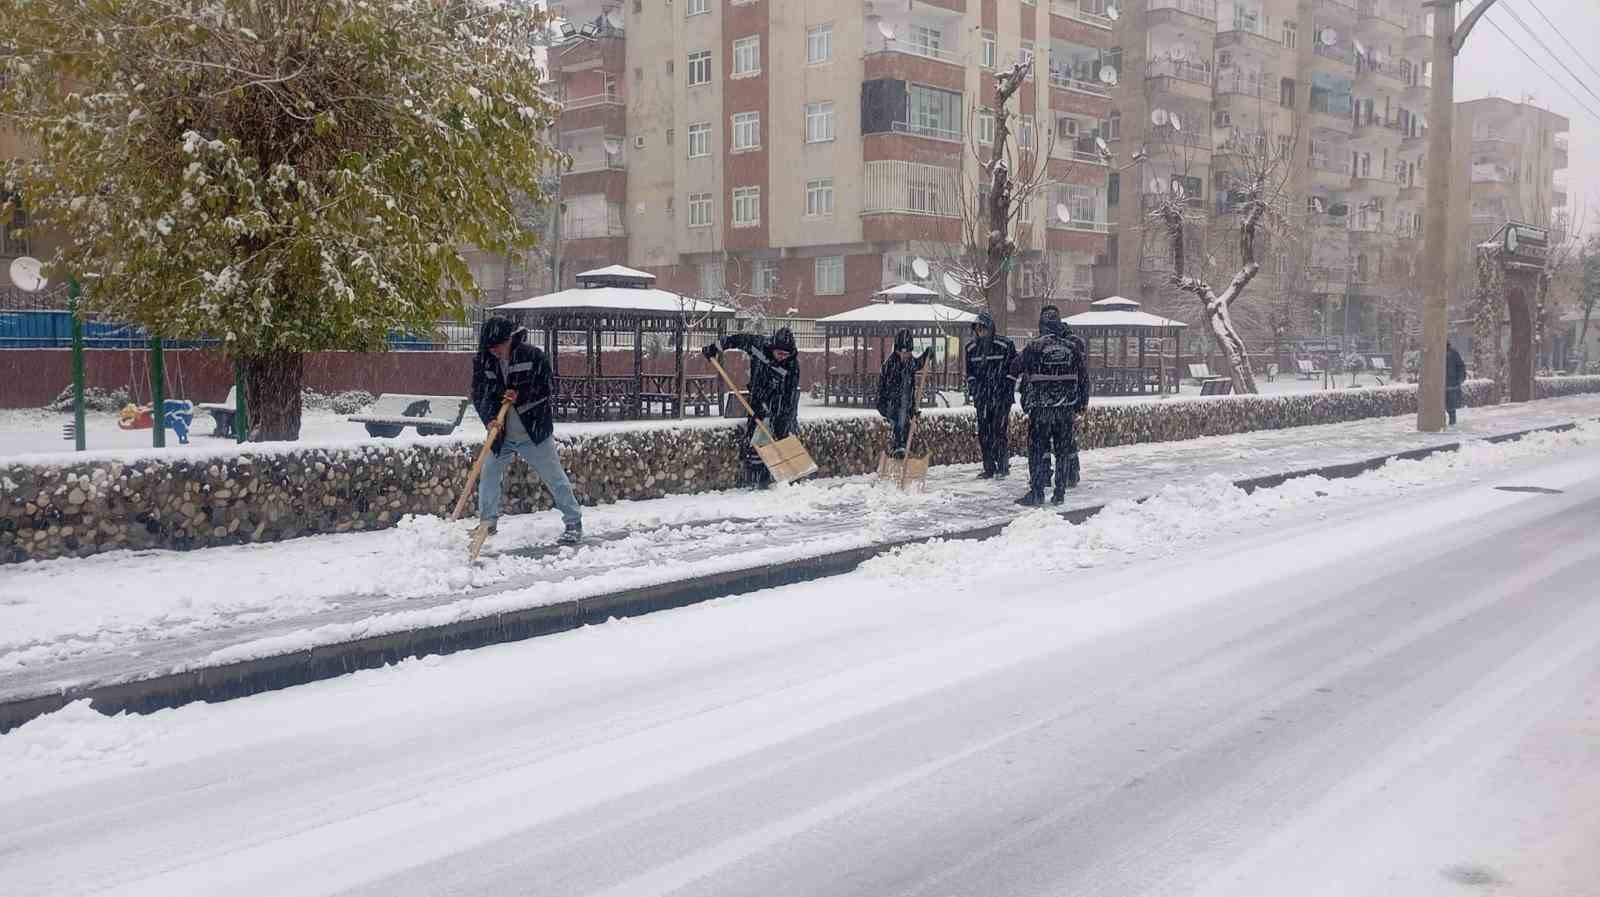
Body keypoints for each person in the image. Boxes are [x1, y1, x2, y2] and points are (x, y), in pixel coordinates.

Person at [470, 316, 583, 545]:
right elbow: (480, 392)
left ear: (508, 339)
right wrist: (489, 419)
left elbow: (547, 386)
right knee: (489, 475)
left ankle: (573, 521)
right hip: (501, 434)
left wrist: (521, 395)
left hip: (533, 432)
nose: (494, 351)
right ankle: (487, 523)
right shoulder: (484, 360)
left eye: (497, 346)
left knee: (554, 477)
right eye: (489, 348)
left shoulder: (532, 355)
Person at [1011, 305, 1091, 506]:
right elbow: (1084, 379)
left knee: (1038, 450)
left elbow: (1014, 367)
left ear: (1042, 325)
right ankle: (1060, 492)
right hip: (1065, 409)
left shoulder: (1034, 347)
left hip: (1041, 409)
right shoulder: (1072, 348)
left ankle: (1037, 492)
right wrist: (1082, 403)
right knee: (1063, 450)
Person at [703, 327, 801, 488]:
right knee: (756, 444)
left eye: (786, 355)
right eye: (779, 353)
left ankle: (791, 481)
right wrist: (715, 347)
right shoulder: (758, 345)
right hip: (757, 401)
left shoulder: (792, 367)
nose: (782, 357)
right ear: (772, 347)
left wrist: (781, 423)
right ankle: (757, 481)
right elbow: (737, 340)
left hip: (781, 406)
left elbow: (788, 400)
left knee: (782, 437)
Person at [964, 310, 1018, 478]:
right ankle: (989, 467)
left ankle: (1002, 465)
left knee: (999, 431)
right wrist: (974, 389)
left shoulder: (1005, 345)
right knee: (984, 433)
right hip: (983, 398)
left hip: (1001, 398)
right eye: (978, 329)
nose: (981, 333)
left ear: (990, 328)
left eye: (983, 329)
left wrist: (1006, 387)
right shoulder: (971, 349)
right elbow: (970, 373)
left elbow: (1013, 369)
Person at [877, 329, 936, 457]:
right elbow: (892, 392)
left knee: (907, 425)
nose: (905, 356)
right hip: (887, 405)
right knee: (900, 421)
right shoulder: (890, 365)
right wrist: (906, 408)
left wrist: (927, 355)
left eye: (908, 352)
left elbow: (919, 364)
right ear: (896, 350)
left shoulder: (909, 362)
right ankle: (899, 448)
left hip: (904, 405)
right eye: (902, 352)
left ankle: (903, 451)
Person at [1445, 340, 1468, 427]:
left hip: (1451, 384)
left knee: (1451, 407)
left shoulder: (1453, 353)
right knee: (1442, 407)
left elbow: (1461, 367)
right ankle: (1444, 423)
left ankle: (1452, 423)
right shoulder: (1437, 354)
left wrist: (1459, 379)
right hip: (1442, 385)